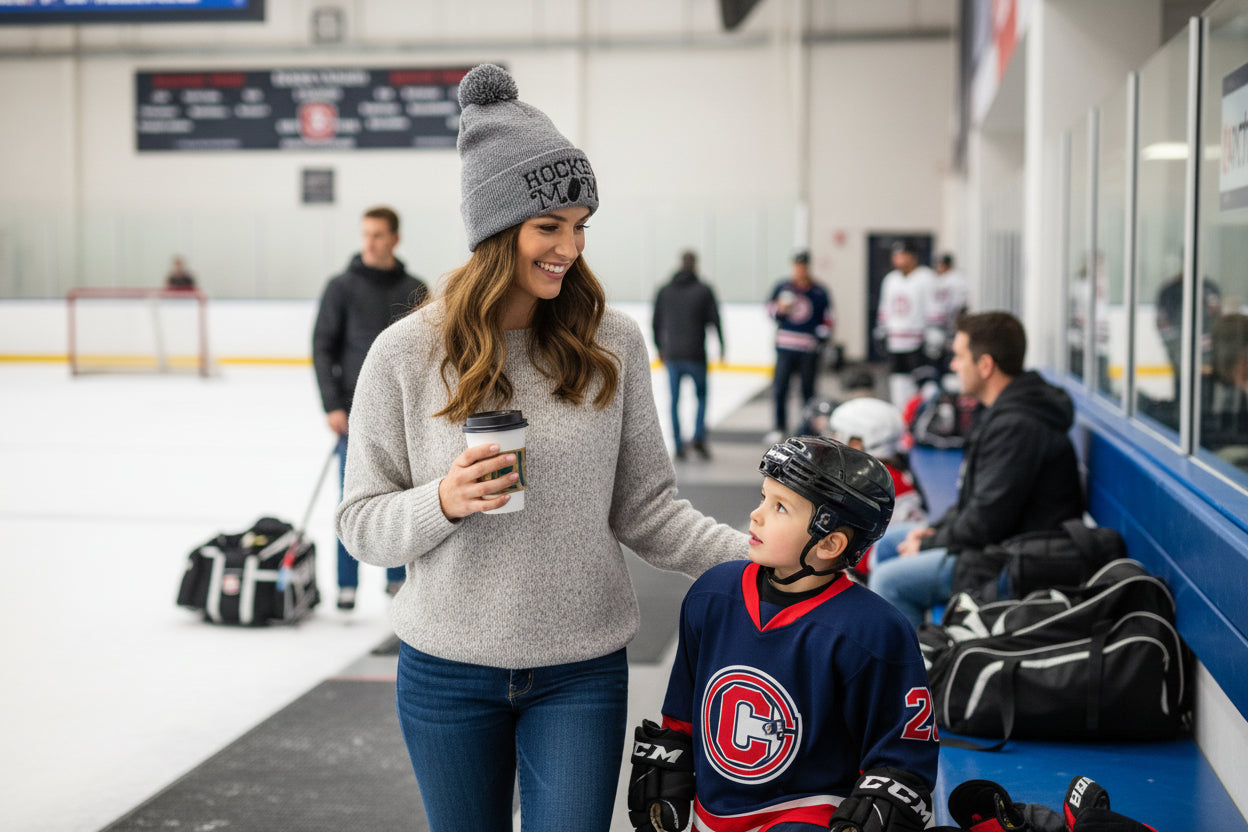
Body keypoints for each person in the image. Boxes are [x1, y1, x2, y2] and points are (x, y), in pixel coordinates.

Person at [334, 64, 749, 832]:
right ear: (496, 230)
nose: (570, 247)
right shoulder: (405, 353)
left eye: (581, 225)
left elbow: (648, 508)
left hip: (579, 670)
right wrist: (443, 502)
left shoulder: (612, 342)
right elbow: (360, 522)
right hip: (445, 671)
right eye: (549, 226)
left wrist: (757, 562)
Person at [627, 436, 939, 832]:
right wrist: (668, 765)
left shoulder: (874, 631)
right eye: (763, 497)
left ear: (830, 542)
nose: (755, 516)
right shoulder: (712, 594)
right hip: (711, 817)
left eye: (779, 507)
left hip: (808, 818)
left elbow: (901, 760)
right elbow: (682, 717)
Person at [868, 310, 1084, 628]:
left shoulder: (1018, 426)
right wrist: (936, 530)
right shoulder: (1003, 412)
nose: (953, 366)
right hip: (997, 541)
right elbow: (978, 502)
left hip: (1014, 558)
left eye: (959, 357)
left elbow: (988, 520)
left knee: (890, 582)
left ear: (985, 366)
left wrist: (931, 542)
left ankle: (921, 672)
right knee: (889, 543)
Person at [312, 206, 428, 610]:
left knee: (403, 496)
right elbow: (323, 347)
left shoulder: (415, 288)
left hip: (404, 414)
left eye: (378, 235)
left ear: (395, 238)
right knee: (353, 498)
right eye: (366, 235)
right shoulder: (341, 287)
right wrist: (331, 404)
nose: (370, 242)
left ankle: (397, 578)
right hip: (353, 414)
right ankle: (347, 584)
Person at [830, 396, 928, 581]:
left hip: (875, 574)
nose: (834, 440)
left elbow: (860, 560)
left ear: (858, 443)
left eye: (838, 434)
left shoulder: (870, 483)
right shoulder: (896, 471)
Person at [652, 250, 724, 461]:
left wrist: (659, 347)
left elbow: (656, 322)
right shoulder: (704, 290)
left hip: (673, 354)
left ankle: (678, 445)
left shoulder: (665, 290)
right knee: (701, 397)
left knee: (674, 400)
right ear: (695, 265)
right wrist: (721, 345)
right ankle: (698, 438)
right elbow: (715, 320)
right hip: (696, 355)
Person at [765, 251, 833, 444]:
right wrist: (779, 309)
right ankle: (779, 426)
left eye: (802, 266)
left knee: (808, 391)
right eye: (796, 266)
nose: (799, 270)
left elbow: (828, 320)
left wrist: (820, 340)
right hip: (785, 348)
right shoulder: (782, 287)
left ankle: (807, 428)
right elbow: (769, 310)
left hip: (808, 351)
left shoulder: (819, 291)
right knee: (780, 389)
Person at [875, 240, 934, 407]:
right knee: (897, 379)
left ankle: (922, 415)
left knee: (923, 381)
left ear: (913, 257)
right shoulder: (891, 279)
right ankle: (902, 414)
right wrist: (882, 330)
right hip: (896, 340)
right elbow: (885, 307)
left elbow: (933, 308)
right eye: (896, 255)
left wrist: (933, 335)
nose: (898, 259)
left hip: (918, 341)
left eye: (902, 255)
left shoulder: (926, 277)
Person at [926, 253, 969, 368]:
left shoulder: (957, 280)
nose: (940, 267)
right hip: (937, 326)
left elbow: (960, 306)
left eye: (942, 264)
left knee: (951, 357)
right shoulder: (938, 279)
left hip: (951, 326)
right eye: (938, 264)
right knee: (935, 359)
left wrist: (954, 324)